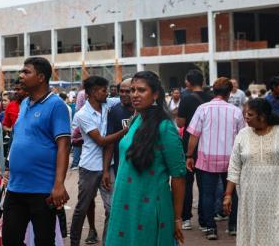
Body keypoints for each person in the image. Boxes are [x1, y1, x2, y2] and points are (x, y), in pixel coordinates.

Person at [105, 71, 185, 246]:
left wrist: (177, 218)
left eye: (141, 90)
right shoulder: (136, 120)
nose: (134, 95)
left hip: (149, 204)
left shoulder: (164, 127)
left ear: (155, 94)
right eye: (132, 90)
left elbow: (178, 176)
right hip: (125, 200)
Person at [2, 57, 71, 246]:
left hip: (42, 190)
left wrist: (59, 184)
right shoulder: (24, 103)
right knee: (9, 240)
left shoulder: (56, 105)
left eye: (26, 72)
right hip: (15, 188)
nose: (21, 75)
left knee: (44, 241)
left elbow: (64, 145)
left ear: (41, 77)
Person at [225, 98, 279, 245]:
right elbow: (234, 167)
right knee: (254, 234)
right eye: (245, 114)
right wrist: (228, 195)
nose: (246, 118)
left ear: (261, 116)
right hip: (251, 197)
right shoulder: (243, 134)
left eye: (249, 114)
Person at [185, 77, 245, 240]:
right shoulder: (236, 111)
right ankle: (233, 226)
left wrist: (189, 155)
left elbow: (193, 136)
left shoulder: (203, 109)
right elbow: (242, 137)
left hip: (207, 159)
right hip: (231, 160)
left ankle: (211, 228)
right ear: (229, 92)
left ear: (213, 91)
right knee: (232, 193)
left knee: (207, 194)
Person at [69, 76, 124, 246]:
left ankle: (108, 241)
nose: (107, 93)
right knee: (82, 207)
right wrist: (125, 130)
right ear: (93, 92)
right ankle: (74, 241)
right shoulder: (82, 115)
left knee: (112, 208)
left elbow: (124, 97)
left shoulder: (109, 104)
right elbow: (101, 140)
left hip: (109, 166)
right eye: (103, 90)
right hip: (89, 167)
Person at [176, 69, 211, 230]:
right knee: (205, 185)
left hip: (189, 146)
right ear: (202, 82)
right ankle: (205, 221)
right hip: (207, 145)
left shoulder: (186, 99)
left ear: (188, 82)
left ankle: (186, 218)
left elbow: (180, 123)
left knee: (187, 183)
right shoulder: (211, 98)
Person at [106, 78, 135, 175]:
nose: (123, 94)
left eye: (128, 91)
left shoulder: (144, 111)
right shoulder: (114, 111)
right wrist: (105, 170)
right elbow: (110, 143)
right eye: (121, 91)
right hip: (122, 165)